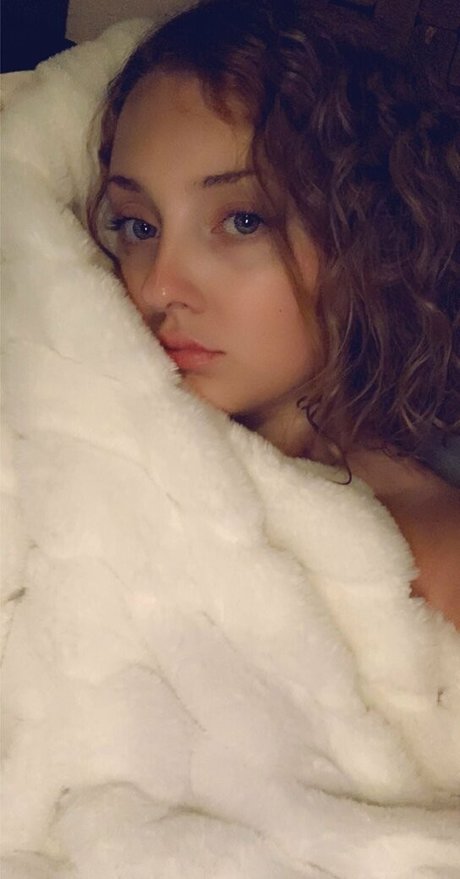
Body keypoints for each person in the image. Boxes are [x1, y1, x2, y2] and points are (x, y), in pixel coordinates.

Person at [88, 0, 460, 627]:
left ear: (369, 235)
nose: (157, 287)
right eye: (139, 225)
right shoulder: (83, 442)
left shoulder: (437, 567)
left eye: (242, 220)